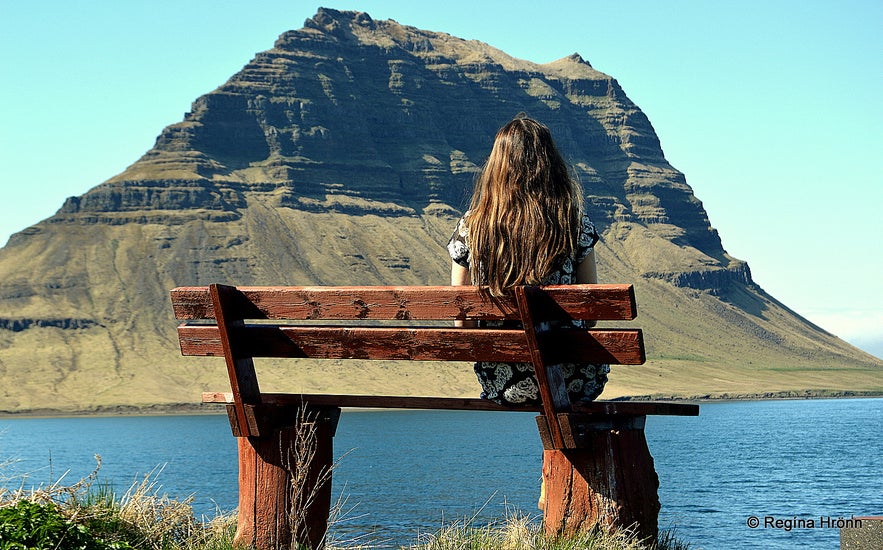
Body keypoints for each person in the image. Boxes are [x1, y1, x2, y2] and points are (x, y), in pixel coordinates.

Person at [447, 114, 609, 406]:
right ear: (551, 166)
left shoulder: (470, 228)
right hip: (572, 381)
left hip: (503, 382)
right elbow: (591, 314)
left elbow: (462, 323)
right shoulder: (574, 224)